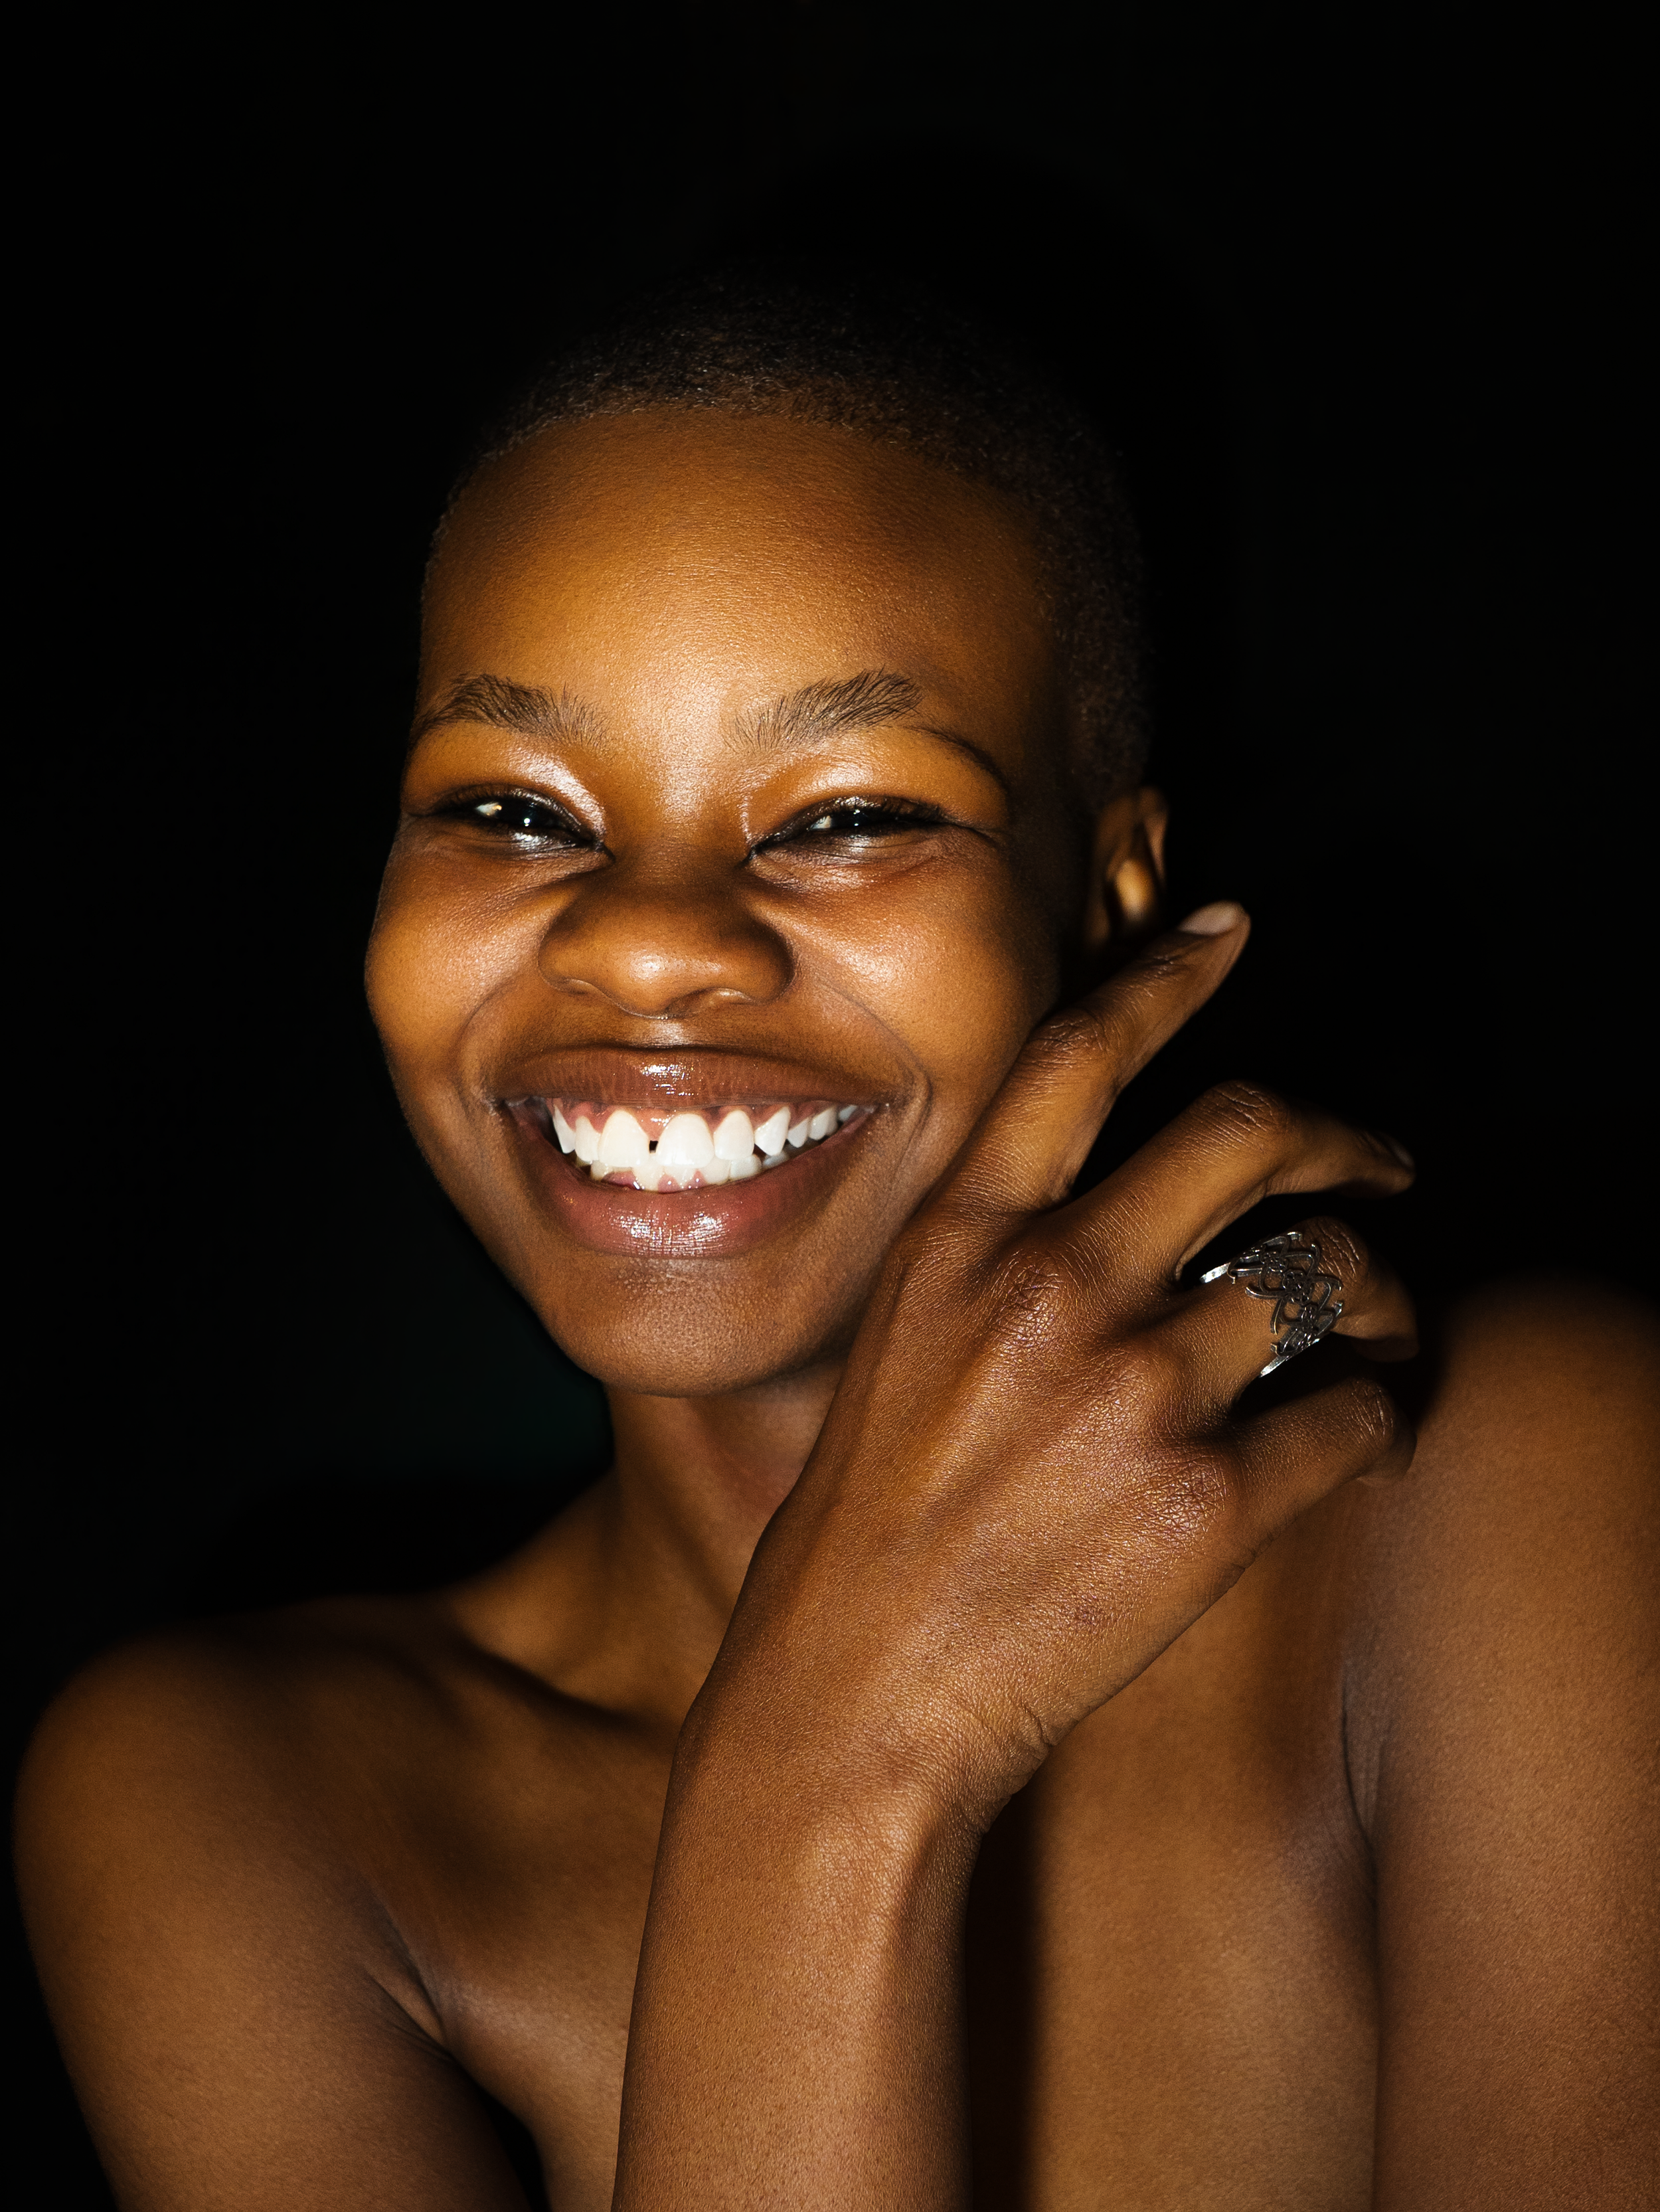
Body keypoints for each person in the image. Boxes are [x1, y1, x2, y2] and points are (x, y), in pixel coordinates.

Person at [17, 284, 1657, 2210]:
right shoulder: (243, 1804)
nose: (646, 944)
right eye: (509, 811)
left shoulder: (1512, 1484)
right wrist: (832, 1770)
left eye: (853, 812)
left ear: (1110, 892)